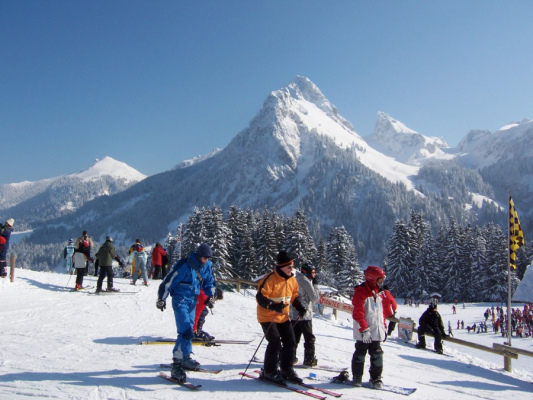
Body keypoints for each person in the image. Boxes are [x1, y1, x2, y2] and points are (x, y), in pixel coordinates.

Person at [156, 243, 216, 383]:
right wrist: (161, 299)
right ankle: (177, 364)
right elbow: (168, 282)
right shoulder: (184, 265)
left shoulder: (207, 266)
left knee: (190, 329)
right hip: (180, 300)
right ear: (198, 255)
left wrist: (210, 296)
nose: (206, 260)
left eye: (208, 258)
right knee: (185, 330)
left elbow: (209, 282)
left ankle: (185, 357)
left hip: (192, 301)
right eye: (204, 258)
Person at [255, 250, 307, 385]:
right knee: (275, 342)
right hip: (267, 316)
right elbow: (260, 297)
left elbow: (294, 296)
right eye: (289, 267)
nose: (291, 269)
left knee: (291, 341)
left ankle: (286, 369)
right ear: (282, 267)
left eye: (292, 266)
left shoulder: (292, 280)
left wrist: (299, 306)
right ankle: (269, 372)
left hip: (283, 316)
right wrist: (272, 305)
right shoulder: (270, 279)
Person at [351, 265, 387, 389]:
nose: (381, 283)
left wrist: (384, 327)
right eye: (380, 280)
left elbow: (380, 313)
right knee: (360, 353)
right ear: (372, 279)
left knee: (377, 354)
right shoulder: (361, 292)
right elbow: (358, 313)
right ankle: (357, 376)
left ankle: (376, 378)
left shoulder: (378, 293)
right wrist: (364, 329)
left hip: (376, 331)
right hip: (364, 331)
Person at [290, 263, 320, 366]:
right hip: (305, 314)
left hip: (293, 313)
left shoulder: (295, 278)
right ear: (307, 272)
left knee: (294, 337)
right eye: (313, 272)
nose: (314, 274)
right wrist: (315, 285)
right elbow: (315, 297)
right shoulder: (305, 281)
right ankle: (309, 359)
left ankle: (290, 357)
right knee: (309, 338)